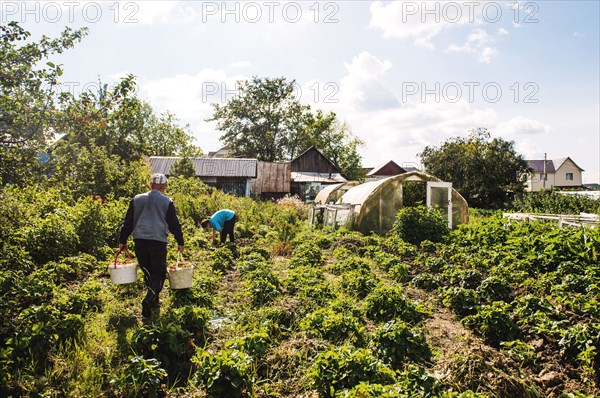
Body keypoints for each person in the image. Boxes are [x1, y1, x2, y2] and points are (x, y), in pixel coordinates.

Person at [118, 173, 184, 318]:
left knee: (148, 272)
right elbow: (174, 224)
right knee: (159, 273)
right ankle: (149, 300)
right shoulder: (167, 202)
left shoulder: (136, 199)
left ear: (150, 185)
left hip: (139, 240)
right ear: (165, 187)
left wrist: (122, 241)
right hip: (158, 242)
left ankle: (153, 301)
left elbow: (127, 222)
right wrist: (180, 241)